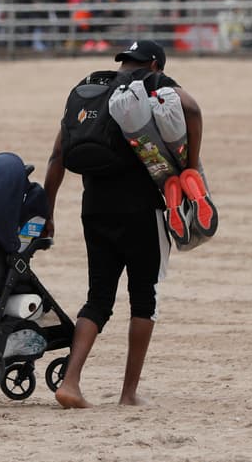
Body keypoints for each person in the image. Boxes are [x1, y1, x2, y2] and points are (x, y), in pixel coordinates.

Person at [42, 39, 202, 409]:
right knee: (143, 298)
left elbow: (57, 154)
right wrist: (192, 164)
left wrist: (48, 211)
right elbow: (191, 108)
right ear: (155, 65)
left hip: (94, 205)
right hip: (141, 208)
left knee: (98, 297)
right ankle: (128, 394)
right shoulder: (152, 83)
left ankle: (71, 382)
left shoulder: (90, 90)